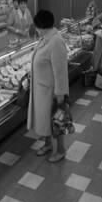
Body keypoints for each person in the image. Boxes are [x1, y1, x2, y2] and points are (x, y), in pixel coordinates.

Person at [27, 9, 70, 163]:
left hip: (51, 92)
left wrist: (60, 95)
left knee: (57, 122)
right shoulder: (45, 38)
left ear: (43, 26)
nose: (36, 29)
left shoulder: (56, 41)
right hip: (41, 90)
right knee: (46, 122)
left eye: (37, 26)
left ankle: (60, 150)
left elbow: (60, 72)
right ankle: (48, 144)